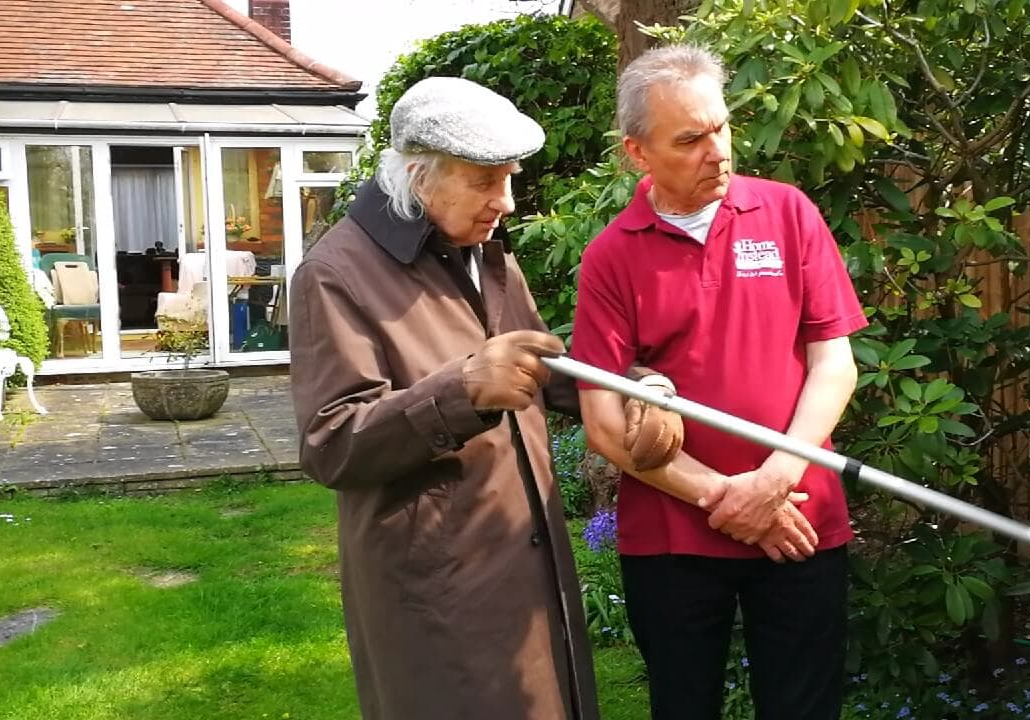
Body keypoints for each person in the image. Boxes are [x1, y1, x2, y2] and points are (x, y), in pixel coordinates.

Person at [289, 76, 684, 720]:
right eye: (483, 181)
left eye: (509, 178)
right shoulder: (336, 275)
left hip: (528, 570)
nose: (504, 201)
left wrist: (636, 386)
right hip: (438, 593)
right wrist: (463, 390)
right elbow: (330, 444)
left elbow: (546, 372)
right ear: (420, 177)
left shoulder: (478, 253)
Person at [569, 45, 869, 720]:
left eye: (721, 127)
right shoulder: (612, 257)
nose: (718, 151)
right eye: (690, 139)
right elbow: (604, 422)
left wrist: (774, 480)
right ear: (637, 153)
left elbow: (834, 362)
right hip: (673, 537)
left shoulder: (789, 213)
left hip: (799, 517)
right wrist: (726, 499)